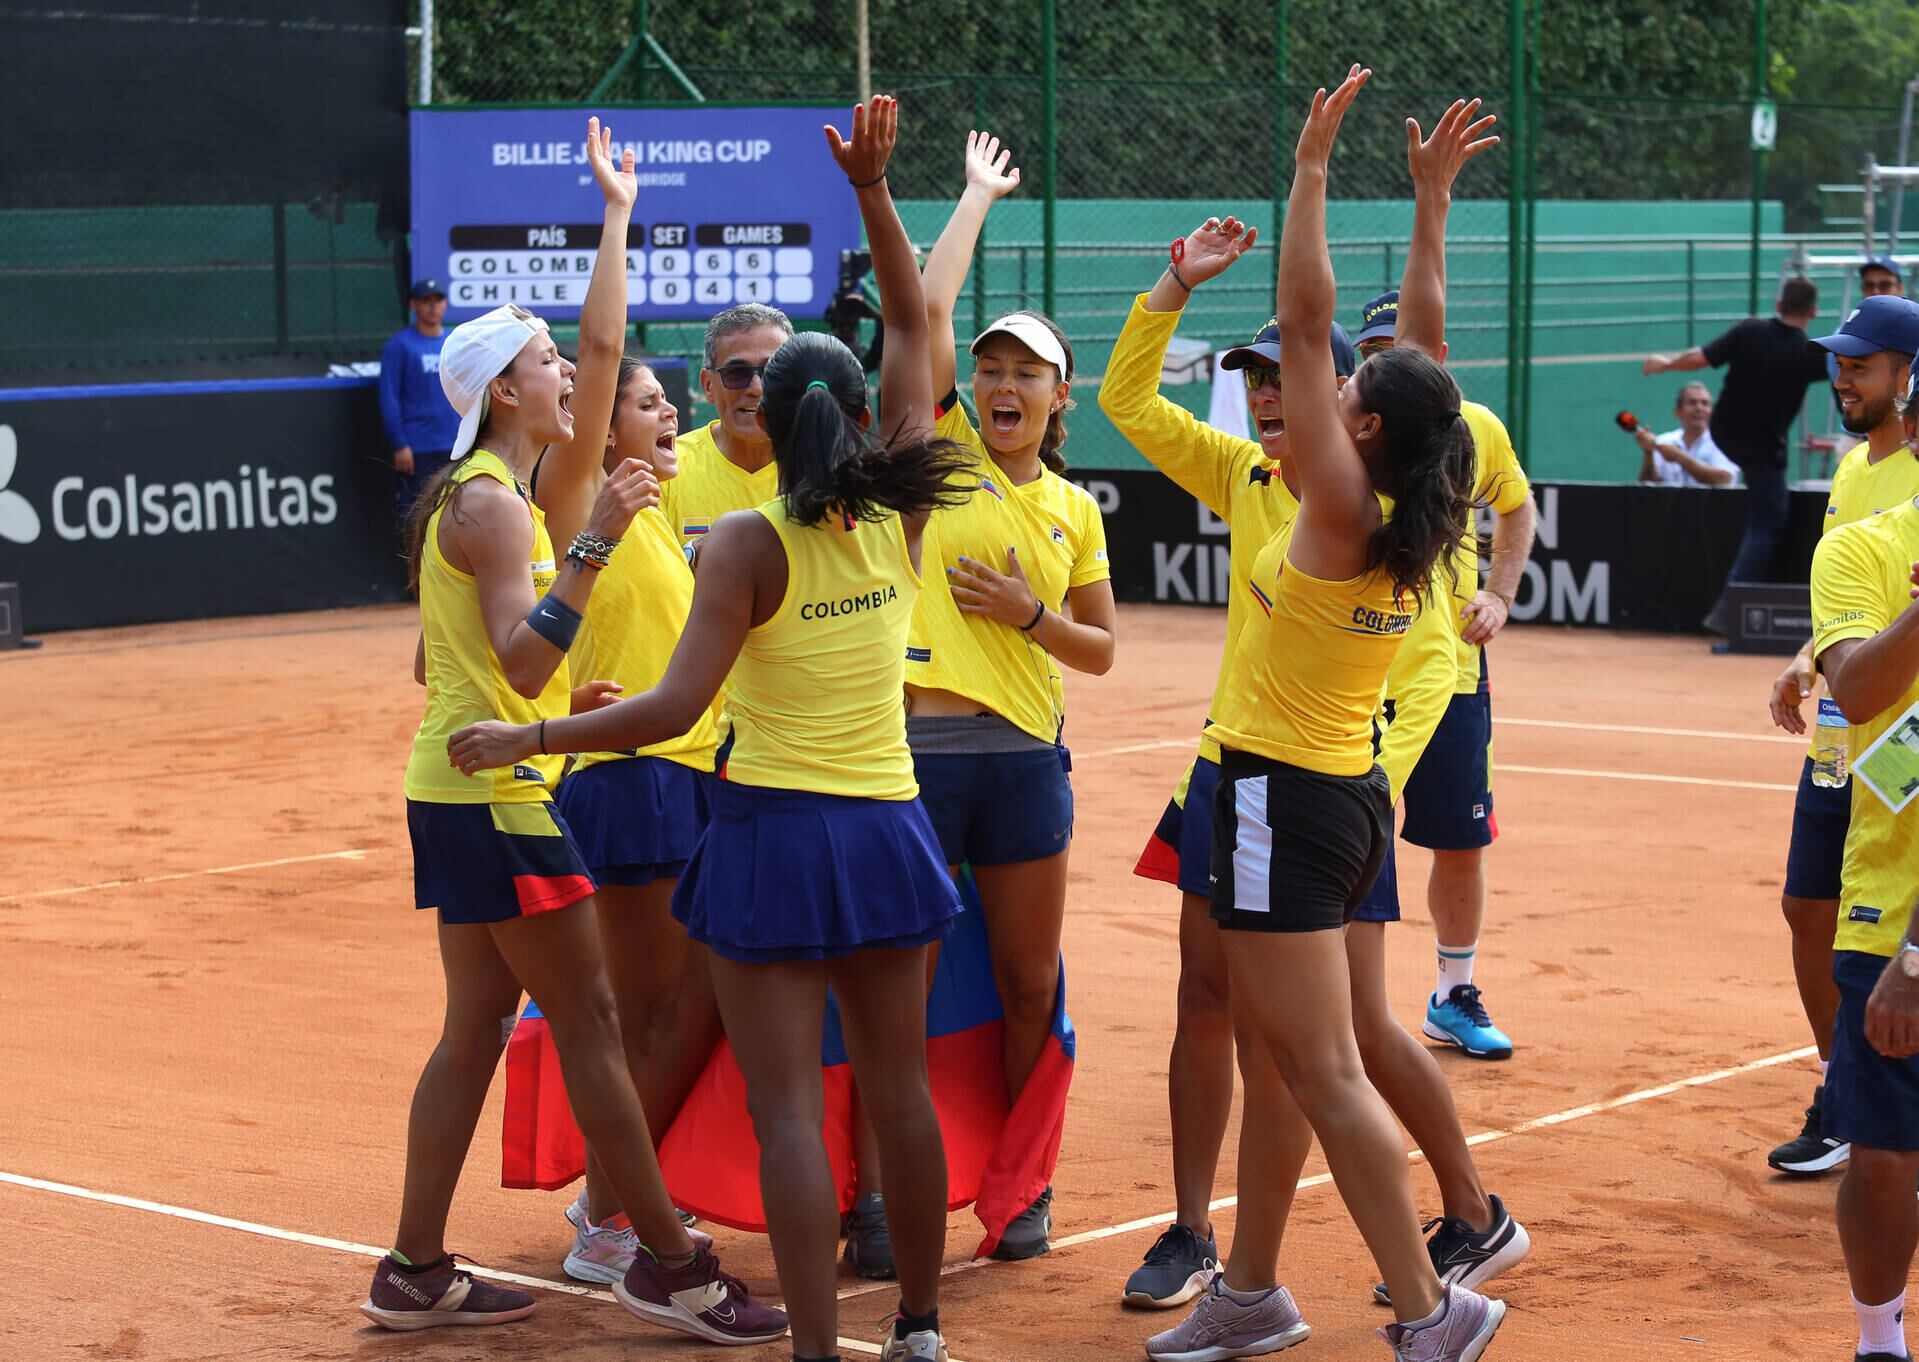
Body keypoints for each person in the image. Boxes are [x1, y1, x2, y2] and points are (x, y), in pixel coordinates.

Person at [449, 94, 973, 1362]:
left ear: (759, 416)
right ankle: (916, 1328)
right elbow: (914, 317)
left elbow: (676, 709)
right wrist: (872, 190)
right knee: (898, 1097)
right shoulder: (901, 499)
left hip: (771, 836)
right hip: (890, 829)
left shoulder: (745, 538)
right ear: (854, 413)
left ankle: (807, 1350)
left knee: (789, 1107)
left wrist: (532, 742)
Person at [1103, 215, 1527, 1318]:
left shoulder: (1345, 508)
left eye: (1292, 383)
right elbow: (1129, 404)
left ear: (1357, 416)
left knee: (1323, 1045)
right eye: (1253, 381)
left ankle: (1441, 1255)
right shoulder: (1269, 479)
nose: (1269, 396)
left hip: (1303, 789)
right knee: (1247, 1018)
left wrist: (1311, 176)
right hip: (1242, 776)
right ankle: (1230, 1261)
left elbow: (1422, 681)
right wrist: (1167, 292)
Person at [361, 298, 783, 1345]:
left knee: (473, 1031)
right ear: (507, 390)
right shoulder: (497, 505)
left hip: (465, 786)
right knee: (592, 1023)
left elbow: (459, 666)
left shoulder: (478, 494)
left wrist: (552, 719)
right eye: (548, 362)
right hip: (494, 802)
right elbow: (515, 658)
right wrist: (592, 544)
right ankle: (671, 1268)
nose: (567, 374)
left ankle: (414, 1269)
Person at [502, 118, 722, 1282]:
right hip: (628, 784)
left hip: (682, 775)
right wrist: (618, 215)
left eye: (661, 404)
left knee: (679, 1008)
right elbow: (594, 350)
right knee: (645, 1014)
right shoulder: (573, 485)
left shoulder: (663, 527)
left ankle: (622, 1203)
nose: (663, 412)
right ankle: (603, 1219)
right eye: (646, 402)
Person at [904, 127, 1119, 1259]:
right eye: (990, 367)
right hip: (919, 760)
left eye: (1024, 370)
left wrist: (1024, 615)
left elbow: (1097, 650)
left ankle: (1022, 1189)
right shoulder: (939, 453)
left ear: (1058, 393)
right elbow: (924, 311)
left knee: (1031, 982)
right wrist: (975, 197)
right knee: (903, 987)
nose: (1000, 382)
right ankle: (883, 1194)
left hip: (1026, 765)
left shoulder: (1075, 509)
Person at [1347, 288, 1537, 1060]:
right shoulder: (1339, 435)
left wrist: (1499, 591)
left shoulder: (1475, 429)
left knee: (1458, 843)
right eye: (1370, 352)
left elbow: (1516, 508)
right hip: (1350, 674)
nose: (1382, 361)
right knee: (1357, 836)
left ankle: (1451, 992)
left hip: (1451, 673)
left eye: (1396, 347)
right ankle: (1343, 1004)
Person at [1765, 294, 1919, 1176]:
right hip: (1839, 725)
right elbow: (1849, 601)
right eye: (1840, 362)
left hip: (1901, 734)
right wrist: (1803, 658)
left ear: (1907, 374)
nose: (1842, 377)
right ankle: (1841, 1090)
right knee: (1804, 906)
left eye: (1861, 365)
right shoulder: (1857, 466)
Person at [1805, 454, 1919, 1362]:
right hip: (1887, 900)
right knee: (1881, 1155)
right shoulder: (1859, 550)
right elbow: (1856, 691)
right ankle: (1879, 1341)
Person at [1643, 277, 1828, 637]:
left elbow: (1699, 358)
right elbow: (1845, 373)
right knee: (1768, 522)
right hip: (1762, 449)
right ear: (1813, 312)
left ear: (1778, 305)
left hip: (1725, 434)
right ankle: (1729, 609)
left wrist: (1664, 363)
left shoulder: (1750, 331)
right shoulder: (1809, 353)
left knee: (1759, 503)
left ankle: (1730, 606)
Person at [659, 302, 796, 554]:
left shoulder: (821, 466)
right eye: (736, 372)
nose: (756, 387)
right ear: (708, 386)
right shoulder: (667, 469)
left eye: (773, 371)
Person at [379, 278, 460, 515]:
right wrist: (400, 443)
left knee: (455, 509)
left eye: (438, 300)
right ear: (414, 305)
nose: (433, 307)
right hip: (419, 446)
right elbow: (389, 397)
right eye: (426, 301)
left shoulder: (453, 342)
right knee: (418, 512)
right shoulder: (400, 346)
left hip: (455, 443)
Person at [1632, 383, 1739, 487]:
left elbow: (1724, 480)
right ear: (1678, 411)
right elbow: (1646, 489)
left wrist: (1679, 457)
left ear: (1712, 411)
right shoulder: (1664, 441)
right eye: (1692, 403)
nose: (1699, 408)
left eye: (1705, 403)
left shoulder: (1723, 441)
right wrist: (1648, 454)